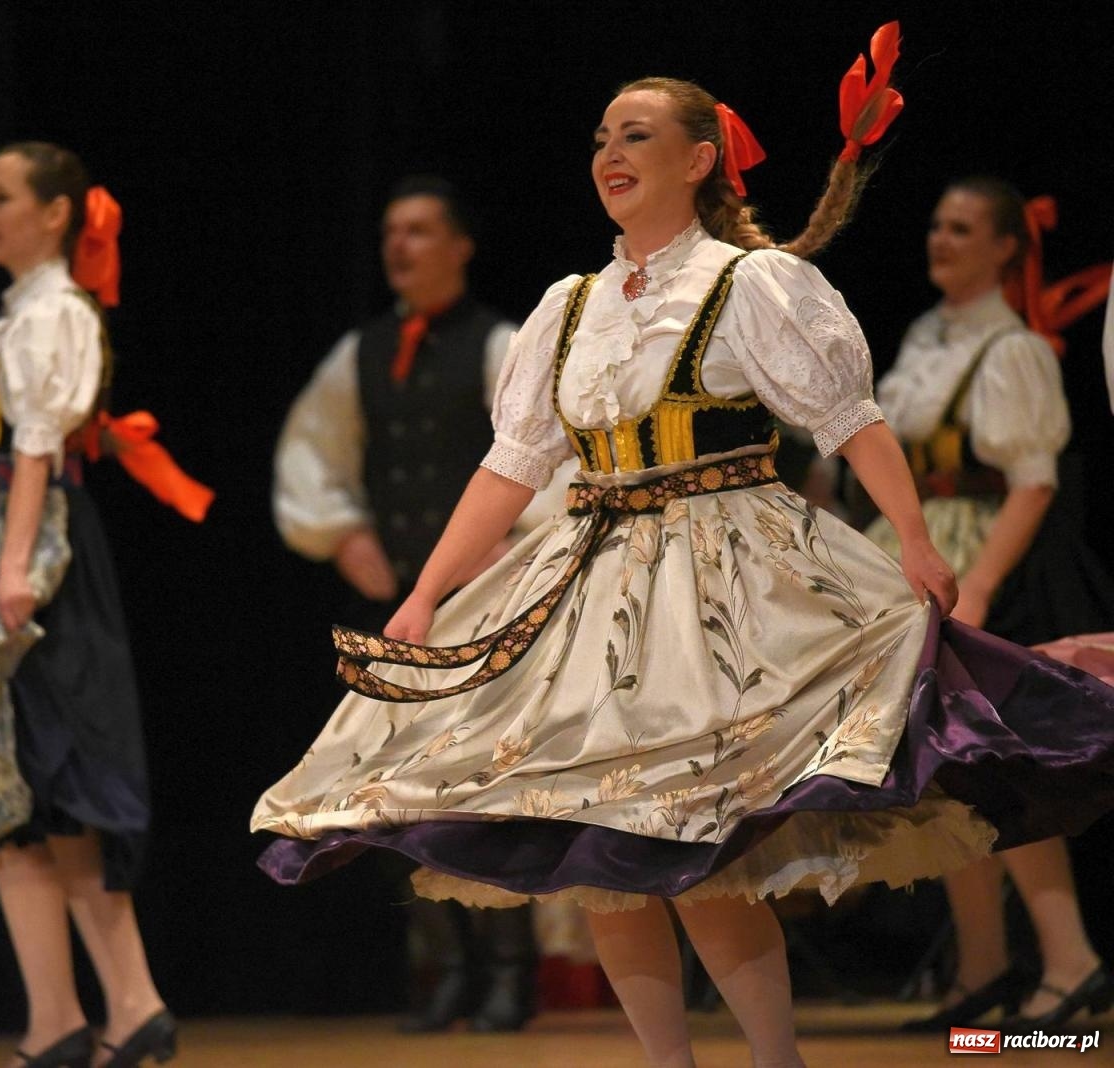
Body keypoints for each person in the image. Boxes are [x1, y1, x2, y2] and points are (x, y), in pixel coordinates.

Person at [252, 30, 1114, 1068]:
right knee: (595, 849)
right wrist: (428, 593)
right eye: (601, 137)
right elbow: (509, 468)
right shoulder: (566, 307)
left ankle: (776, 1058)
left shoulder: (745, 284)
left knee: (689, 848)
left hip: (716, 575)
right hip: (591, 575)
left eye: (638, 134)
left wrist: (920, 544)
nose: (609, 153)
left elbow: (848, 418)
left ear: (699, 158)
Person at [0, 142, 176, 1068]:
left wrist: (13, 568)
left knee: (48, 780)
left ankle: (119, 1005)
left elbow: (35, 453)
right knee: (11, 792)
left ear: (55, 213)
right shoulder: (26, 315)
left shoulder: (53, 314)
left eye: (1, 196)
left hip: (29, 542)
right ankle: (67, 1016)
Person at [274, 175, 562, 1032]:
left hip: (486, 603)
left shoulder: (498, 341)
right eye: (392, 231)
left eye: (421, 230)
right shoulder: (359, 352)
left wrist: (515, 549)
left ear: (461, 245)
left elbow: (547, 451)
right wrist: (341, 533)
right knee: (395, 790)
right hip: (396, 606)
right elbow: (309, 453)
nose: (401, 245)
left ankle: (510, 970)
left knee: (491, 786)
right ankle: (440, 970)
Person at [866, 178, 1114, 1030]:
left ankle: (1071, 960)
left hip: (983, 562)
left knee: (997, 769)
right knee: (940, 776)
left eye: (962, 227)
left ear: (1007, 247)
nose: (941, 239)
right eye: (935, 224)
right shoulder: (925, 335)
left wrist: (981, 588)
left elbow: (1034, 483)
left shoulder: (1012, 350)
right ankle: (983, 970)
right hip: (911, 552)